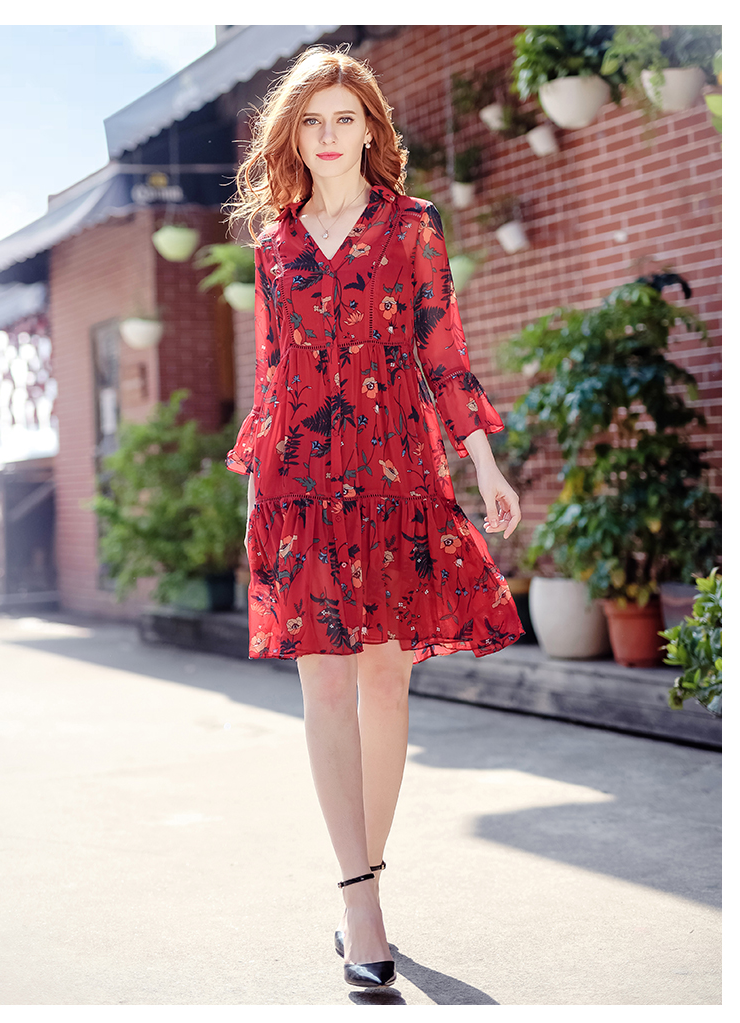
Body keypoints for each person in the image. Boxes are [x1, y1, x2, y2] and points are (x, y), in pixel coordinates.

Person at [224, 45, 523, 989]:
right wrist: (255, 488)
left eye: (343, 119)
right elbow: (273, 377)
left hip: (396, 472)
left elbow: (443, 350)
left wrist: (483, 461)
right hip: (301, 481)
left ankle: (367, 880)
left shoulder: (412, 226)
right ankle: (362, 906)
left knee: (387, 685)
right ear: (293, 135)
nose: (327, 136)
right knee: (325, 687)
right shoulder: (274, 246)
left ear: (369, 130)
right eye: (311, 121)